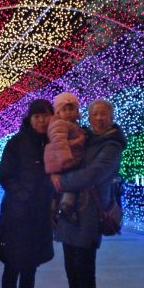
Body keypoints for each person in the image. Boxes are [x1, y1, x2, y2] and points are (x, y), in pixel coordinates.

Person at [51, 99, 127, 288]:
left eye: (104, 114)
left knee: (83, 272)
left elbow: (94, 173)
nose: (99, 118)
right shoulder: (86, 138)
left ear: (111, 117)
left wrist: (61, 183)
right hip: (71, 214)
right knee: (72, 271)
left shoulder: (111, 144)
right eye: (95, 114)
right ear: (89, 116)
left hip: (89, 215)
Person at [0, 99, 55, 288]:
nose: (41, 120)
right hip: (16, 216)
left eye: (45, 115)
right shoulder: (17, 142)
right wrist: (22, 197)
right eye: (37, 116)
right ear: (29, 119)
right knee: (12, 265)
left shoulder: (53, 143)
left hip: (40, 216)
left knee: (30, 266)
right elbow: (5, 176)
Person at [44, 92, 85, 224]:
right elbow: (59, 142)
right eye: (64, 109)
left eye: (71, 109)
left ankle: (55, 207)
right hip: (63, 161)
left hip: (64, 161)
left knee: (66, 185)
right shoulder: (59, 124)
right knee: (72, 183)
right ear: (58, 112)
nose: (68, 112)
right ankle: (65, 207)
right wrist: (66, 158)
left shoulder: (73, 125)